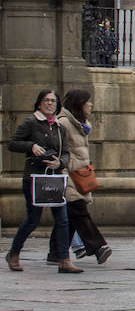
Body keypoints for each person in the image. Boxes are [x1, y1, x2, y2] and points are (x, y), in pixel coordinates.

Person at [6, 90, 81, 274]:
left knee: (62, 220)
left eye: (53, 101)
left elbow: (66, 152)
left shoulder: (59, 127)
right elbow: (12, 143)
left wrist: (60, 162)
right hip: (34, 178)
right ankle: (13, 253)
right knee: (33, 219)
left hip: (54, 178)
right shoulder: (31, 123)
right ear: (39, 104)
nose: (50, 104)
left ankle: (64, 259)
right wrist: (31, 146)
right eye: (46, 100)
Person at [53, 89, 111, 265]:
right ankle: (98, 246)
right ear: (79, 104)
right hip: (69, 175)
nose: (91, 105)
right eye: (88, 101)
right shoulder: (63, 123)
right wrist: (63, 172)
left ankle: (55, 253)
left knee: (71, 217)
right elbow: (59, 150)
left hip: (81, 175)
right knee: (78, 211)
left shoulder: (81, 124)